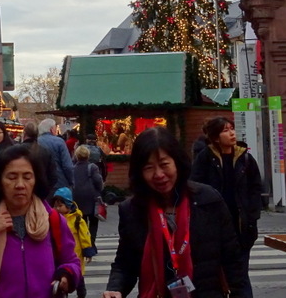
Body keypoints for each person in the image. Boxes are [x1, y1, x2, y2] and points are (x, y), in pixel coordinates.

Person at [103, 126, 244, 298]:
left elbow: (233, 261)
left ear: (177, 162)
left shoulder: (209, 200)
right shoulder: (132, 210)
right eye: (149, 168)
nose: (159, 174)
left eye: (164, 164)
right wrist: (115, 288)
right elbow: (125, 262)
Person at [0, 144, 82, 298]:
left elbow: (72, 261)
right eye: (12, 177)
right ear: (0, 181)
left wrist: (67, 275)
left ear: (35, 180)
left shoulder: (52, 220)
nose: (20, 185)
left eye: (27, 177)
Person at [191, 116, 263, 298]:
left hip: (241, 226)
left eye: (231, 128)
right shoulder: (205, 158)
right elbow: (195, 187)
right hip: (214, 226)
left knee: (240, 274)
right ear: (215, 137)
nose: (231, 133)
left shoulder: (245, 158)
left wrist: (252, 214)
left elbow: (256, 187)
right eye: (225, 130)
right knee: (215, 275)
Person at [52, 187, 95, 298]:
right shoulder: (53, 219)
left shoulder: (77, 220)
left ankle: (81, 293)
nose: (57, 209)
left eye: (60, 206)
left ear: (68, 205)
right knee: (62, 276)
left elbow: (84, 235)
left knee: (78, 275)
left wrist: (87, 250)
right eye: (55, 206)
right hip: (61, 255)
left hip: (76, 255)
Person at [72, 145, 104, 249]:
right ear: (88, 155)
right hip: (92, 197)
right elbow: (98, 181)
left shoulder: (73, 168)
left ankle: (84, 242)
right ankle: (92, 243)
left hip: (78, 197)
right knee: (94, 221)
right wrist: (100, 189)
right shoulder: (92, 167)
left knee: (83, 221)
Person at [37, 118, 74, 190]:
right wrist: (71, 181)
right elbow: (67, 166)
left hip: (41, 184)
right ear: (51, 129)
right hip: (60, 183)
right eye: (55, 128)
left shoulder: (36, 142)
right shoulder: (59, 142)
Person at [21, 121, 57, 190]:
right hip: (40, 191)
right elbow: (53, 176)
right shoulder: (46, 151)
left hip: (23, 190)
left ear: (24, 133)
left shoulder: (15, 150)